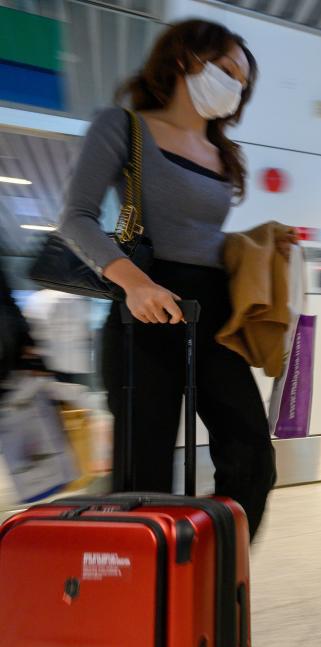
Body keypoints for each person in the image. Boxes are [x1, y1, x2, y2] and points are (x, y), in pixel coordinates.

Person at [57, 19, 288, 539]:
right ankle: (144, 581)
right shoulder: (123, 126)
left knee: (252, 457)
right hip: (146, 309)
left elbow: (202, 237)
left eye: (243, 81)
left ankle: (215, 569)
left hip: (215, 315)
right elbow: (75, 218)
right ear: (186, 58)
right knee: (144, 473)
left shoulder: (224, 152)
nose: (236, 87)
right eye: (227, 70)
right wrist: (134, 282)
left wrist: (264, 242)